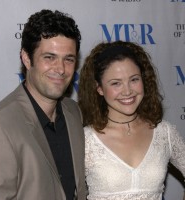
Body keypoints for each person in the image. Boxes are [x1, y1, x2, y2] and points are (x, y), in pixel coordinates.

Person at [0, 9, 86, 200]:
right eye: (49, 57)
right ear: (26, 58)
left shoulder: (74, 112)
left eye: (69, 59)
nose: (61, 69)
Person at [78, 40, 185, 200]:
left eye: (134, 79)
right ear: (99, 88)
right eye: (116, 83)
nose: (127, 91)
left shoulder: (165, 133)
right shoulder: (84, 139)